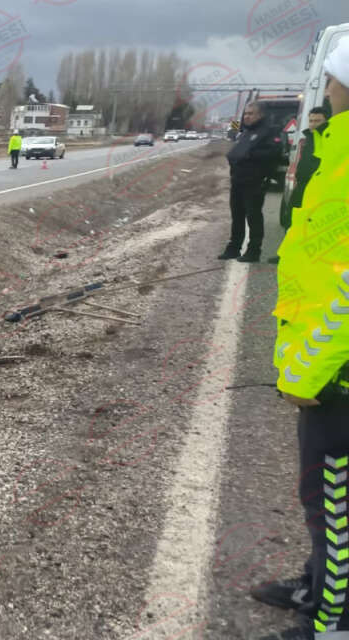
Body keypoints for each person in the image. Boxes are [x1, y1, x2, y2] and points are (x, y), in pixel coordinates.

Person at [254, 40, 349, 640]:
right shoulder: (336, 151)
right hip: (327, 365)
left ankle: (334, 620)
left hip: (336, 376)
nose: (325, 90)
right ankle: (320, 584)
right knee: (322, 496)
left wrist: (309, 373)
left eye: (331, 79)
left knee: (334, 504)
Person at [221, 101, 282, 262]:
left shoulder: (268, 132)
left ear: (260, 115)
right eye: (246, 114)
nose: (246, 117)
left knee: (253, 217)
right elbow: (235, 152)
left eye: (251, 113)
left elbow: (273, 153)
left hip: (255, 182)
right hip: (238, 181)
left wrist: (247, 155)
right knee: (237, 216)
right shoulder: (245, 132)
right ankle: (234, 248)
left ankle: (253, 251)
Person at [268, 105, 331, 264]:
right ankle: (287, 254)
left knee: (312, 225)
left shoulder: (329, 138)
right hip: (302, 187)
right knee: (291, 222)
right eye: (311, 121)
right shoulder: (309, 138)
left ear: (326, 121)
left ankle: (306, 258)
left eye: (318, 121)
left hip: (317, 189)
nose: (313, 124)